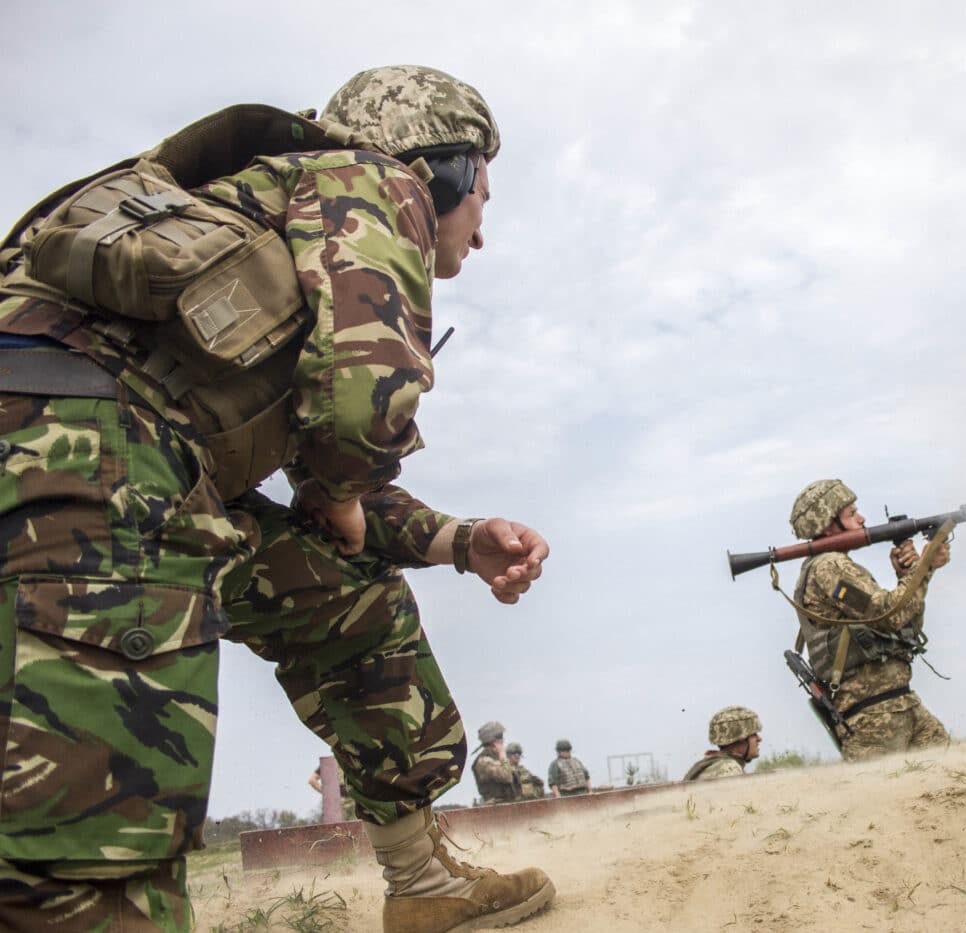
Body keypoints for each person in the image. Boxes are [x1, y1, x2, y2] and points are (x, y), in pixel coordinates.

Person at [0, 65, 556, 932]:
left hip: (112, 453)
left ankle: (423, 879)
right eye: (484, 189)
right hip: (81, 466)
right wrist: (341, 486)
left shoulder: (263, 218)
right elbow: (365, 401)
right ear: (443, 168)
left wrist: (461, 537)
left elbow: (328, 490)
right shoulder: (377, 182)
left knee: (341, 595)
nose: (480, 232)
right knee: (85, 875)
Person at [789, 479, 952, 761]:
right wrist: (923, 567)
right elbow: (889, 614)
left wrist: (910, 575)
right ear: (829, 525)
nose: (862, 518)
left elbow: (902, 625)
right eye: (851, 514)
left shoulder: (833, 565)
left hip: (899, 705)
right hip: (875, 718)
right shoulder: (829, 567)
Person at [684, 706, 763, 781]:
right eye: (754, 734)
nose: (759, 739)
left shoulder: (708, 765)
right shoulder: (729, 769)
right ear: (741, 738)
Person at [471, 721, 523, 805]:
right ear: (493, 741)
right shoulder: (484, 761)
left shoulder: (496, 758)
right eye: (500, 737)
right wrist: (502, 754)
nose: (502, 740)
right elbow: (507, 777)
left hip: (509, 804)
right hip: (495, 808)